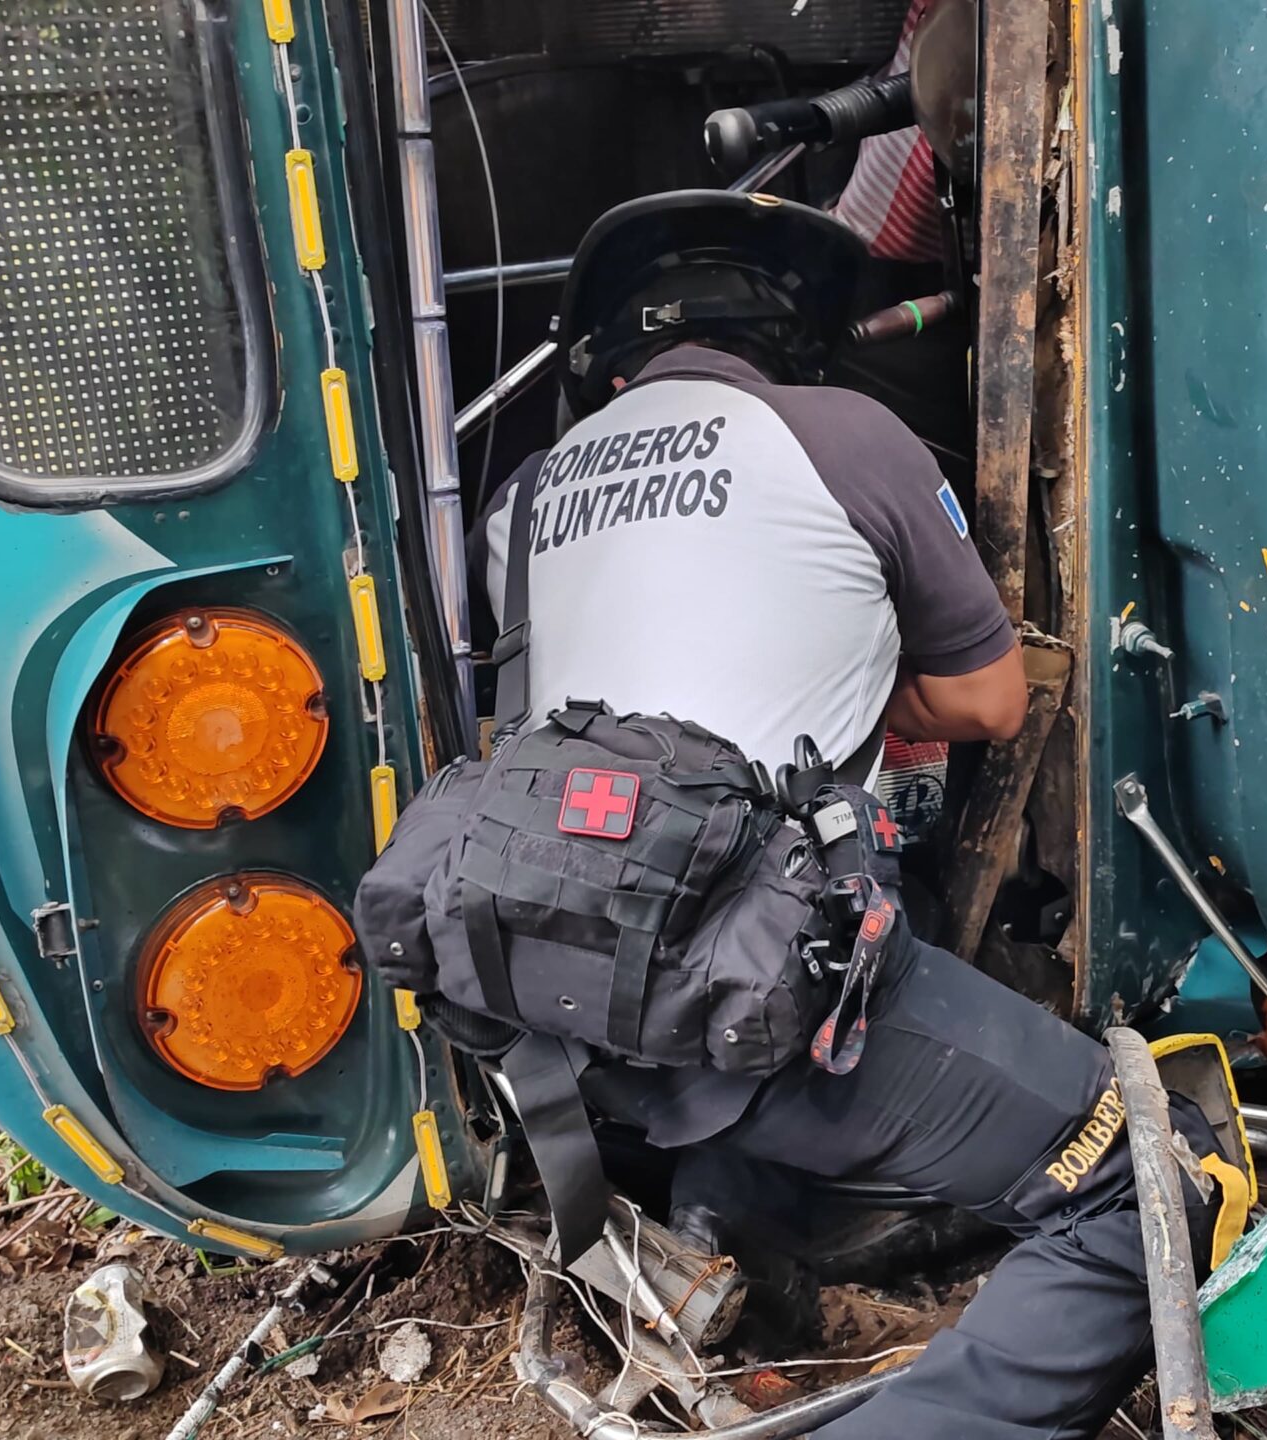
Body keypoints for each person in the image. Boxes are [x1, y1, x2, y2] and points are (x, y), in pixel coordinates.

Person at [458, 189, 1225, 1439]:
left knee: (757, 1032)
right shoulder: (847, 436)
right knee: (1149, 1183)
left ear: (605, 358)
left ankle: (728, 1232)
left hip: (544, 995)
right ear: (794, 343)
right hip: (741, 977)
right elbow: (982, 700)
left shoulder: (521, 501)